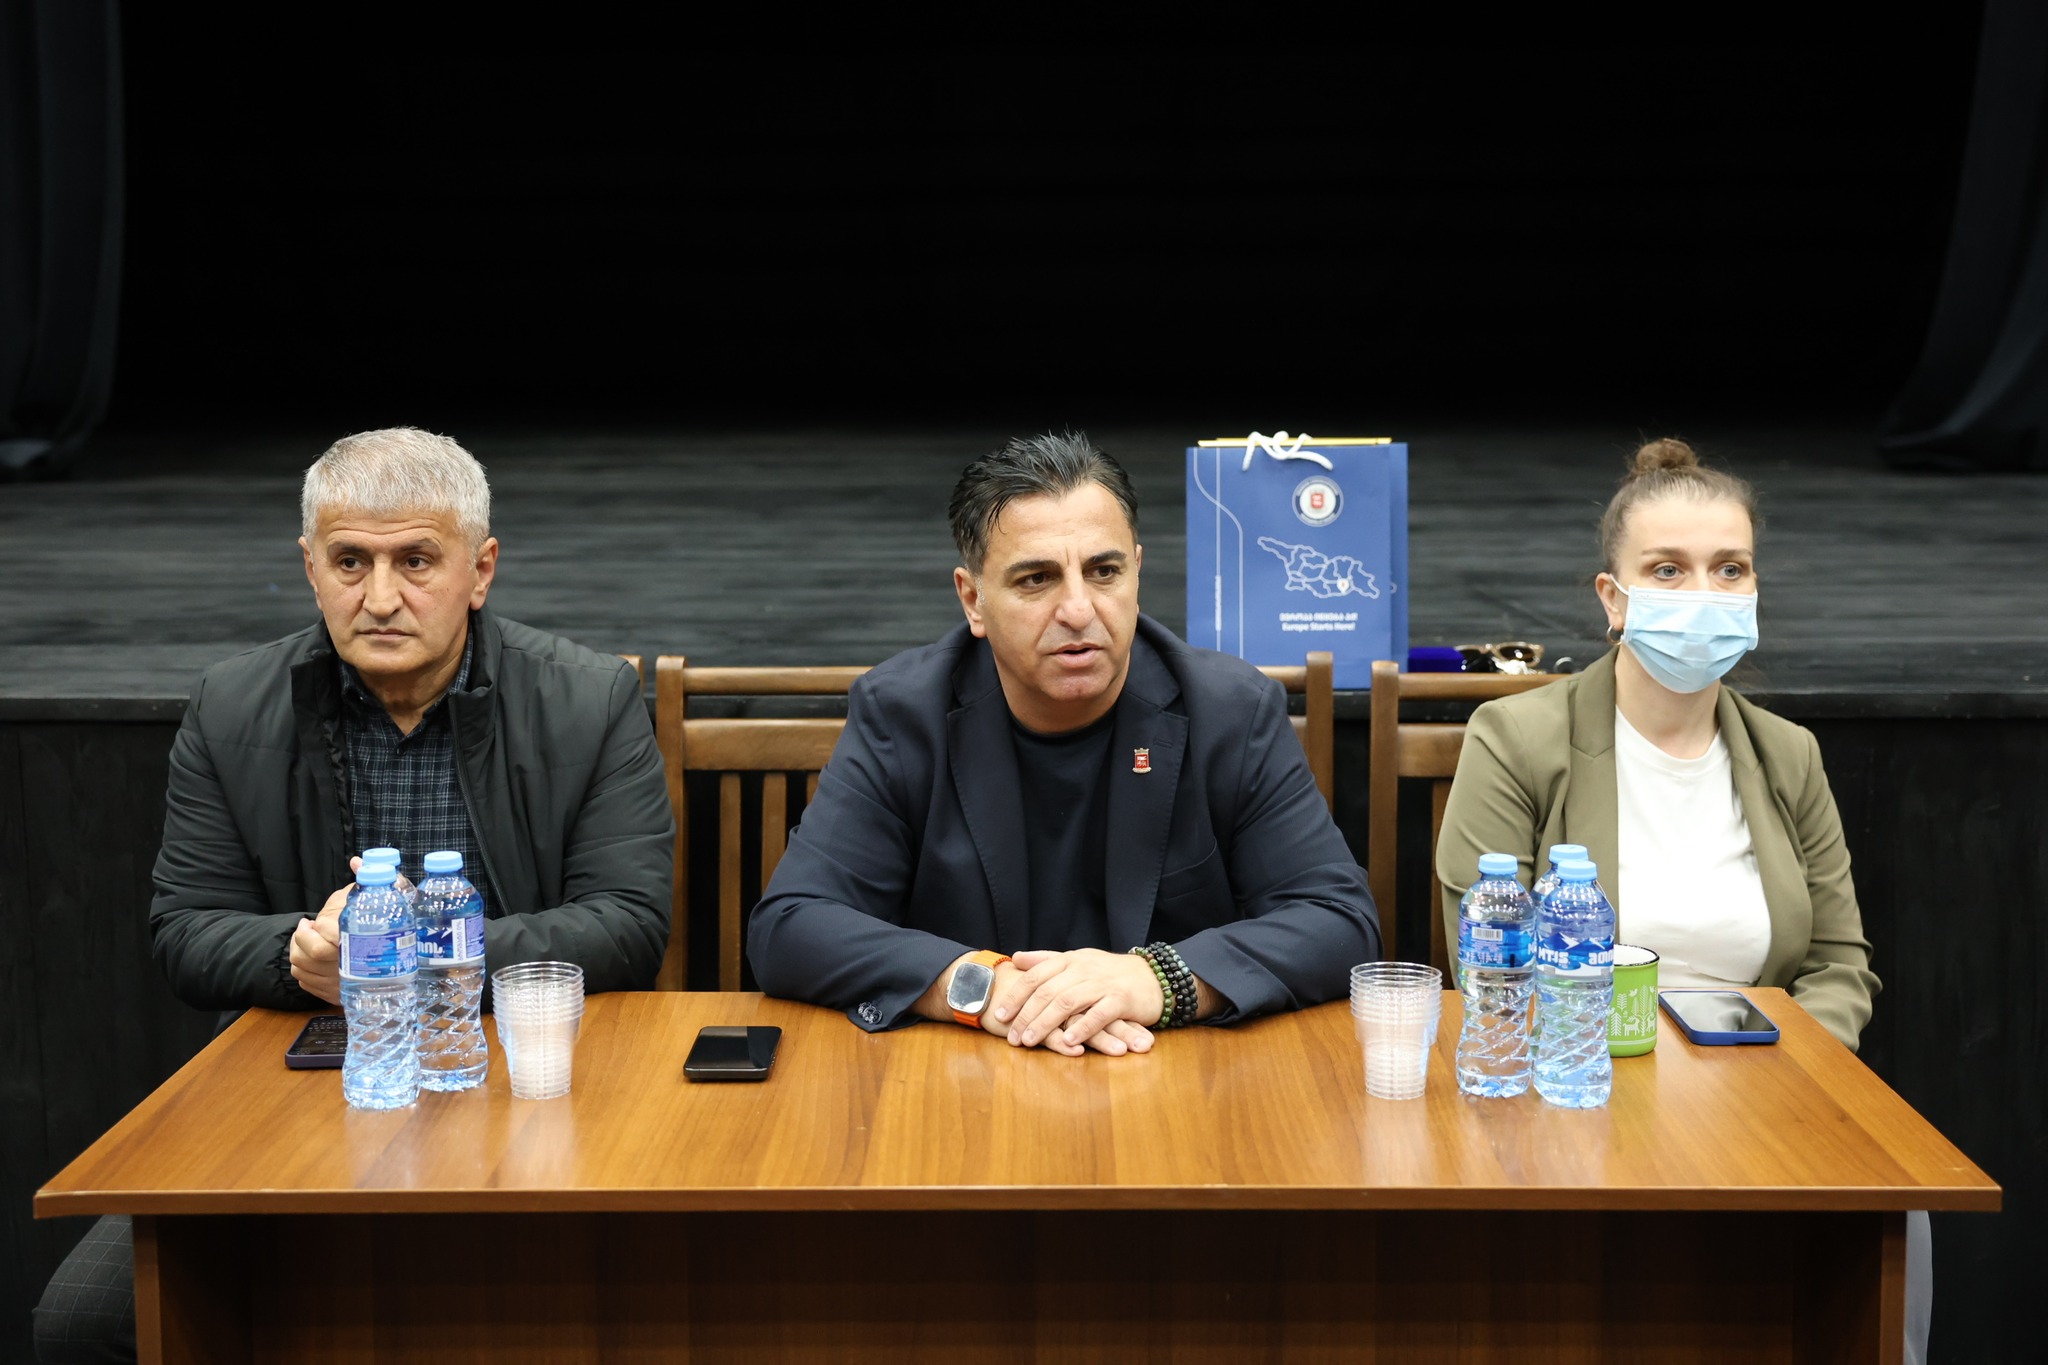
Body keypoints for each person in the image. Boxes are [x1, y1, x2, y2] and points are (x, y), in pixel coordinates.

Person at [33, 427, 674, 1365]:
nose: (379, 598)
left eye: (415, 560)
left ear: (480, 570)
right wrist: (296, 952)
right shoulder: (231, 704)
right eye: (349, 563)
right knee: (84, 1323)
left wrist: (415, 958)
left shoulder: (588, 700)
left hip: (522, 1078)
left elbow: (627, 922)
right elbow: (184, 929)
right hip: (305, 1083)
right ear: (310, 568)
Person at [1435, 437, 1925, 1364]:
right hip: (1579, 1106)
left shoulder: (1788, 754)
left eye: (1729, 569)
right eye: (1668, 569)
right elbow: (1487, 963)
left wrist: (1784, 1078)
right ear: (1613, 598)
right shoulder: (1516, 737)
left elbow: (1839, 964)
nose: (1704, 593)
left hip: (1766, 1100)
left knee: (1895, 1210)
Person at [748, 432, 1379, 1056]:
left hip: (1170, 1072)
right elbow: (791, 926)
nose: (1078, 609)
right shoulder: (904, 712)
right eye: (1036, 579)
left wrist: (1160, 979)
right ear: (973, 600)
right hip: (964, 1080)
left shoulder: (1230, 711)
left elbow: (1338, 921)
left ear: (1137, 572)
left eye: (1104, 572)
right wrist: (981, 987)